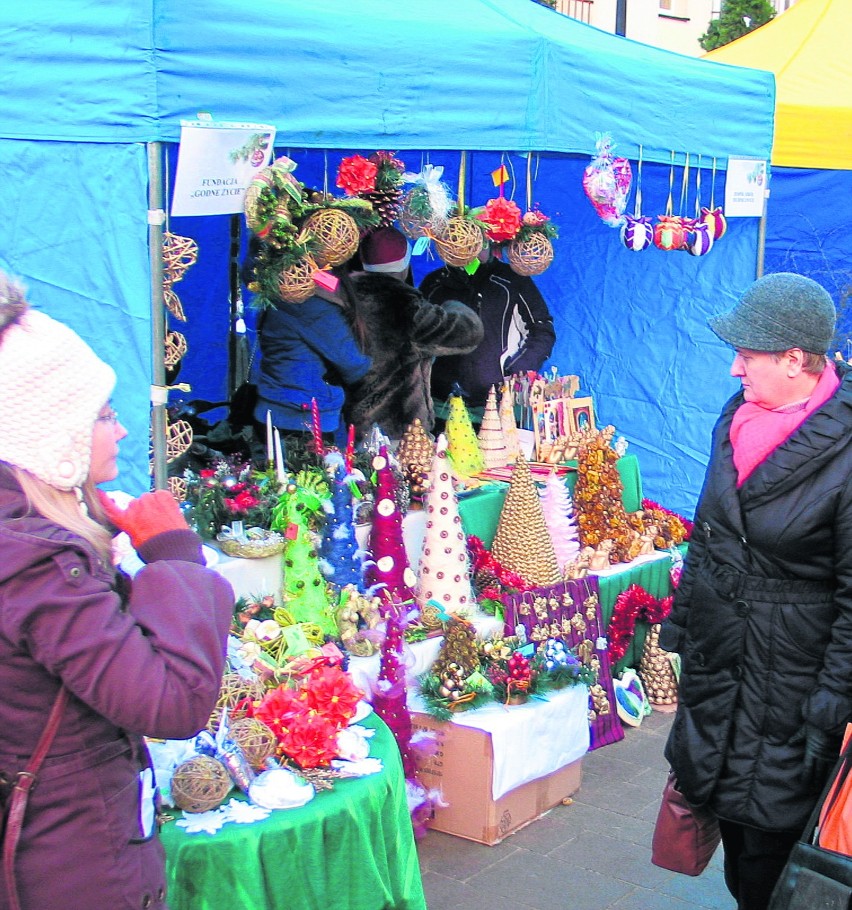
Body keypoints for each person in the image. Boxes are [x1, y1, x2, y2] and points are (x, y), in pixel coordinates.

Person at [0, 275, 234, 909]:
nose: (122, 432)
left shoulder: (29, 543)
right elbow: (173, 702)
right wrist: (175, 555)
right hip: (75, 858)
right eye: (101, 415)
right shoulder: (38, 563)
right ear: (54, 435)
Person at [658, 272, 852, 910]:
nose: (734, 368)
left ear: (795, 360)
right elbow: (709, 533)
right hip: (722, 668)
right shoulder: (736, 417)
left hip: (790, 684)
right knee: (736, 835)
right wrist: (681, 630)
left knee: (776, 851)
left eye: (748, 354)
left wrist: (832, 703)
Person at [343, 227, 484, 440]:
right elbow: (469, 331)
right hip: (400, 433)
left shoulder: (343, 297)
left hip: (349, 427)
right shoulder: (405, 307)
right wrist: (451, 304)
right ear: (404, 264)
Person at [245, 239, 372, 448]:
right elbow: (352, 362)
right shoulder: (310, 304)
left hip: (276, 407)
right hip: (302, 418)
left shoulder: (280, 293)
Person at [420, 244, 556, 420]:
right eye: (467, 243)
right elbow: (414, 333)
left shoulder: (513, 280)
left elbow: (542, 329)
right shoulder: (435, 282)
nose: (473, 251)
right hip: (441, 404)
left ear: (493, 244)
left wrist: (516, 370)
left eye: (481, 243)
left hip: (501, 406)